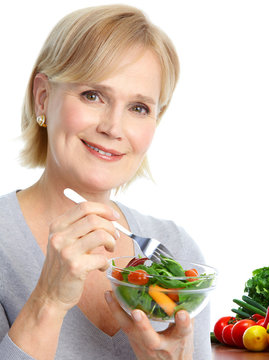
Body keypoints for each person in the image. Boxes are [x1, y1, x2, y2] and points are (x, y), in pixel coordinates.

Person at [0, 4, 210, 359]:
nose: (113, 127)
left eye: (139, 108)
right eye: (92, 95)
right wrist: (48, 302)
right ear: (43, 96)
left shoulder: (176, 252)